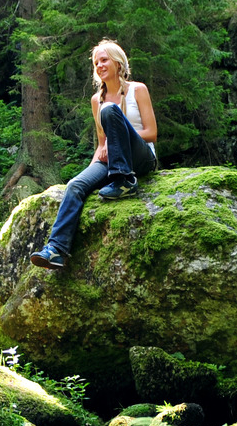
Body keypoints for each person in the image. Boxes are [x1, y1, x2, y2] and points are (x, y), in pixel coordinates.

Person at [30, 40, 158, 271]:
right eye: (95, 62)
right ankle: (56, 250)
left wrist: (120, 138)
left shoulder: (137, 90)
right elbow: (102, 145)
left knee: (111, 110)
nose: (99, 65)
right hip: (113, 160)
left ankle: (124, 181)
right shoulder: (96, 101)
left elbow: (151, 133)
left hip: (140, 158)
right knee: (75, 185)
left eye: (104, 59)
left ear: (118, 63)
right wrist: (88, 176)